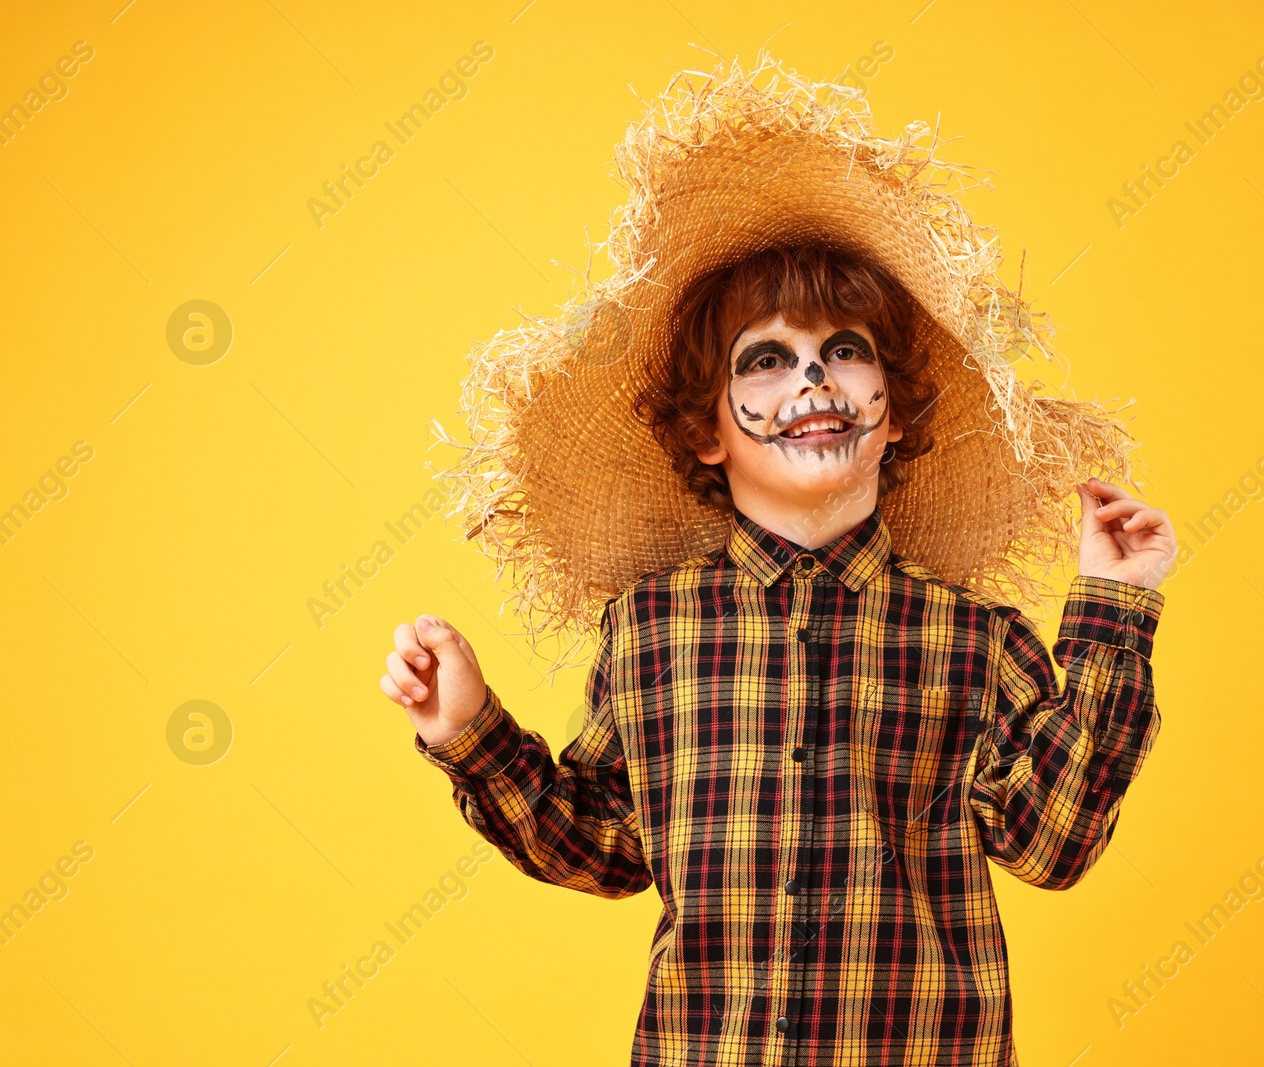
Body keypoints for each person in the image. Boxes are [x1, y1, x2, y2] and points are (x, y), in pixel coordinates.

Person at [379, 56, 1176, 1066]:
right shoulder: (650, 629)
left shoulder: (974, 640)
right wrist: (470, 731)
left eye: (845, 349)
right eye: (765, 357)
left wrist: (1112, 604)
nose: (812, 377)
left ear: (896, 414)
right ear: (706, 429)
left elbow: (1052, 845)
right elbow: (609, 842)